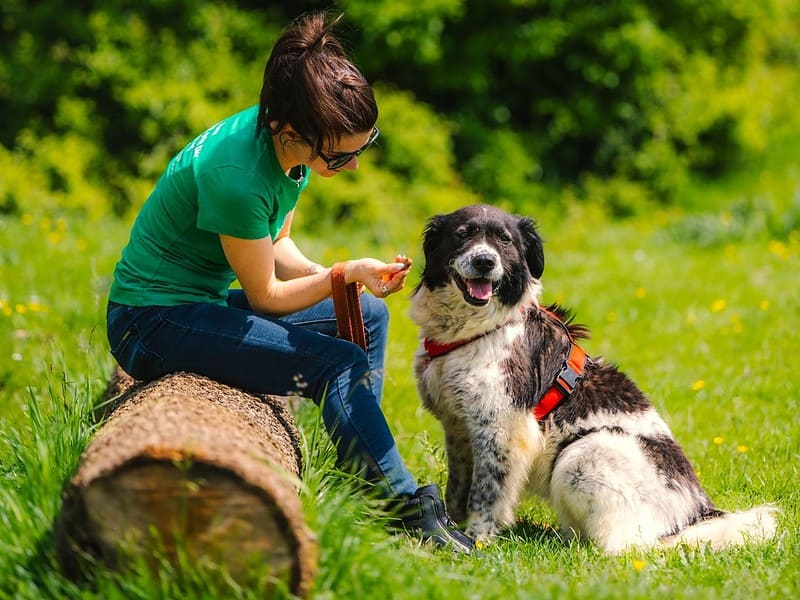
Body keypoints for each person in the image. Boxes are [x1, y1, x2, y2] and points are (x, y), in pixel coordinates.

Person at [105, 11, 474, 553]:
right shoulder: (238, 177)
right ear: (293, 132)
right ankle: (397, 506)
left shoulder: (287, 147)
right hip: (151, 321)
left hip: (194, 303)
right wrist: (343, 274)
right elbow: (266, 296)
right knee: (337, 362)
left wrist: (344, 279)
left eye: (361, 148)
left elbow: (275, 246)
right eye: (341, 155)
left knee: (367, 313)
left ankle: (360, 454)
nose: (350, 167)